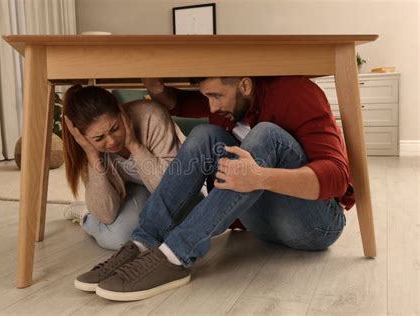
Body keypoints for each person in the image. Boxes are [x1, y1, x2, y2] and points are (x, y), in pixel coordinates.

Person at [74, 76, 352, 301]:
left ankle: (176, 255)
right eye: (206, 96)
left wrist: (261, 177)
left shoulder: (295, 92)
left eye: (216, 96)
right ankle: (142, 241)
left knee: (266, 134)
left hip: (315, 226)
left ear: (245, 84)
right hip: (259, 223)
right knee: (204, 134)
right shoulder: (229, 100)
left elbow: (338, 177)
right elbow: (181, 102)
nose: (211, 108)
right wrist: (158, 89)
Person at [61, 85, 184, 290]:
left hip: (168, 186)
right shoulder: (85, 145)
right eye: (99, 139)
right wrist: (93, 156)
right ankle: (87, 217)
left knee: (179, 227)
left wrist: (134, 145)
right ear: (83, 137)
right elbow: (106, 214)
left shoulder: (151, 116)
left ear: (121, 112)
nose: (111, 141)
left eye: (115, 128)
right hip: (134, 193)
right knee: (119, 238)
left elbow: (172, 191)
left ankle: (88, 215)